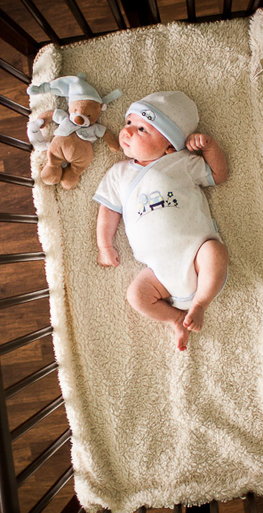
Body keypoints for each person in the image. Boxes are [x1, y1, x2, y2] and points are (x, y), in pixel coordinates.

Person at [94, 91, 229, 351]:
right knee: (136, 295)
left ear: (169, 146)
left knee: (216, 252)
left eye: (141, 129)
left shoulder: (181, 162)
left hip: (196, 253)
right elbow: (108, 210)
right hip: (157, 272)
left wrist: (210, 148)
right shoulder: (118, 174)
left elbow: (218, 174)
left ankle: (200, 304)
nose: (127, 131)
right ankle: (175, 318)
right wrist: (105, 245)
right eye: (129, 122)